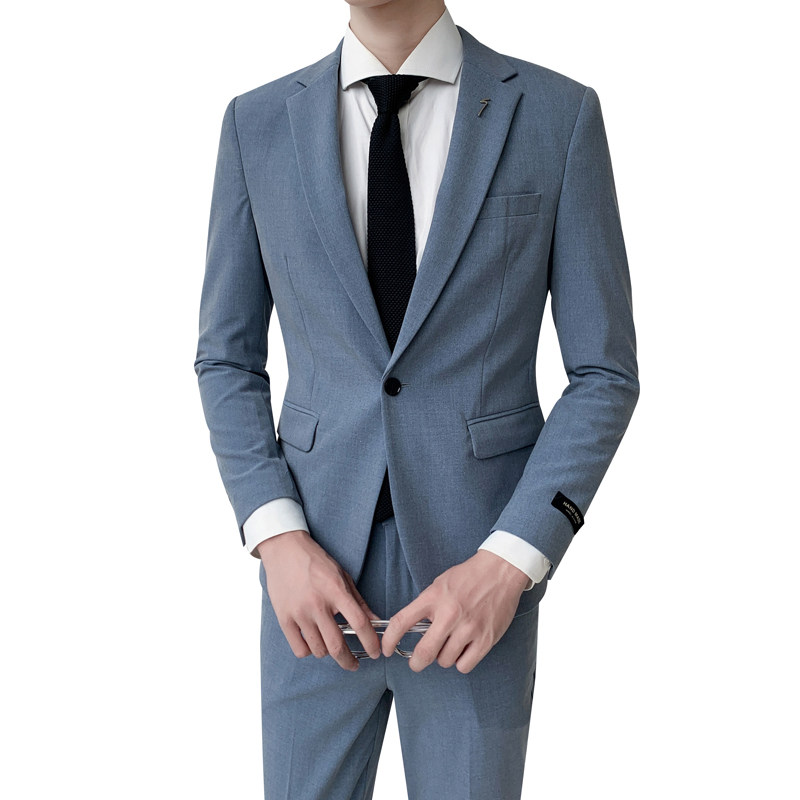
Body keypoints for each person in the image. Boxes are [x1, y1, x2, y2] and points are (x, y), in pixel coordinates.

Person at [194, 1, 639, 797]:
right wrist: (276, 537)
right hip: (310, 584)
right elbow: (227, 359)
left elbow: (604, 372)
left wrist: (512, 562)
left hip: (479, 589)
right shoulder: (256, 124)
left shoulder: (558, 115)